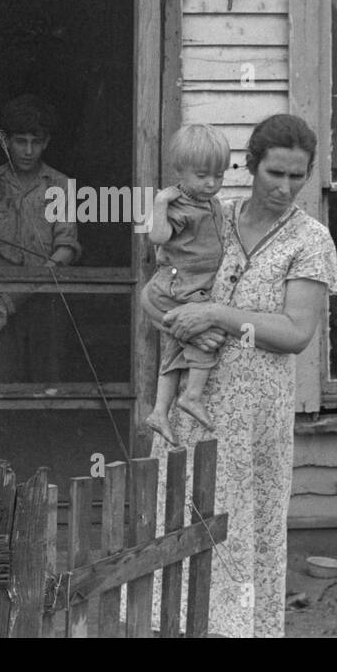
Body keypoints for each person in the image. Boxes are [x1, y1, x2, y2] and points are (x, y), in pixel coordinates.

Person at [143, 114, 337, 638]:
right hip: (193, 405)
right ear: (250, 167)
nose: (285, 187)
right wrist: (172, 317)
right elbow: (163, 284)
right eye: (274, 173)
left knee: (244, 534)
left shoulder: (310, 240)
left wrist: (217, 318)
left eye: (297, 176)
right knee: (182, 529)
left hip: (254, 416)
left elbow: (296, 331)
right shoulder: (211, 216)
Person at [0, 95, 81, 382]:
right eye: (20, 141)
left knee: (48, 380)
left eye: (35, 141)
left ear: (46, 142)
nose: (28, 150)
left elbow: (65, 250)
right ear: (6, 141)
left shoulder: (61, 185)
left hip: (46, 300)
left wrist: (17, 296)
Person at [142, 124, 230, 446]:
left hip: (194, 286)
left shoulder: (212, 203)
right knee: (204, 341)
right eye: (203, 175)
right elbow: (157, 237)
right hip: (179, 288)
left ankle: (159, 411)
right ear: (181, 172)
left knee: (175, 349)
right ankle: (192, 396)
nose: (211, 183)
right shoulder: (178, 205)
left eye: (219, 176)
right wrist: (161, 203)